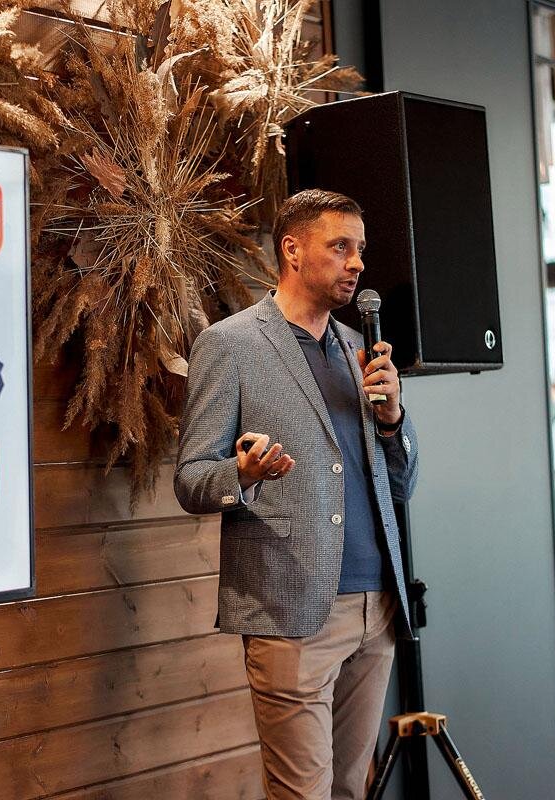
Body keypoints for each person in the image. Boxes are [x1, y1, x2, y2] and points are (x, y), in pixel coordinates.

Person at [174, 189, 419, 800]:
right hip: (292, 611)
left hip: (376, 608)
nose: (357, 262)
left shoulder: (359, 349)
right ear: (292, 250)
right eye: (340, 247)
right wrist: (243, 474)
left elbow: (402, 483)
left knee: (351, 790)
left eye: (360, 249)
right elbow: (191, 478)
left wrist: (394, 420)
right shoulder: (231, 344)